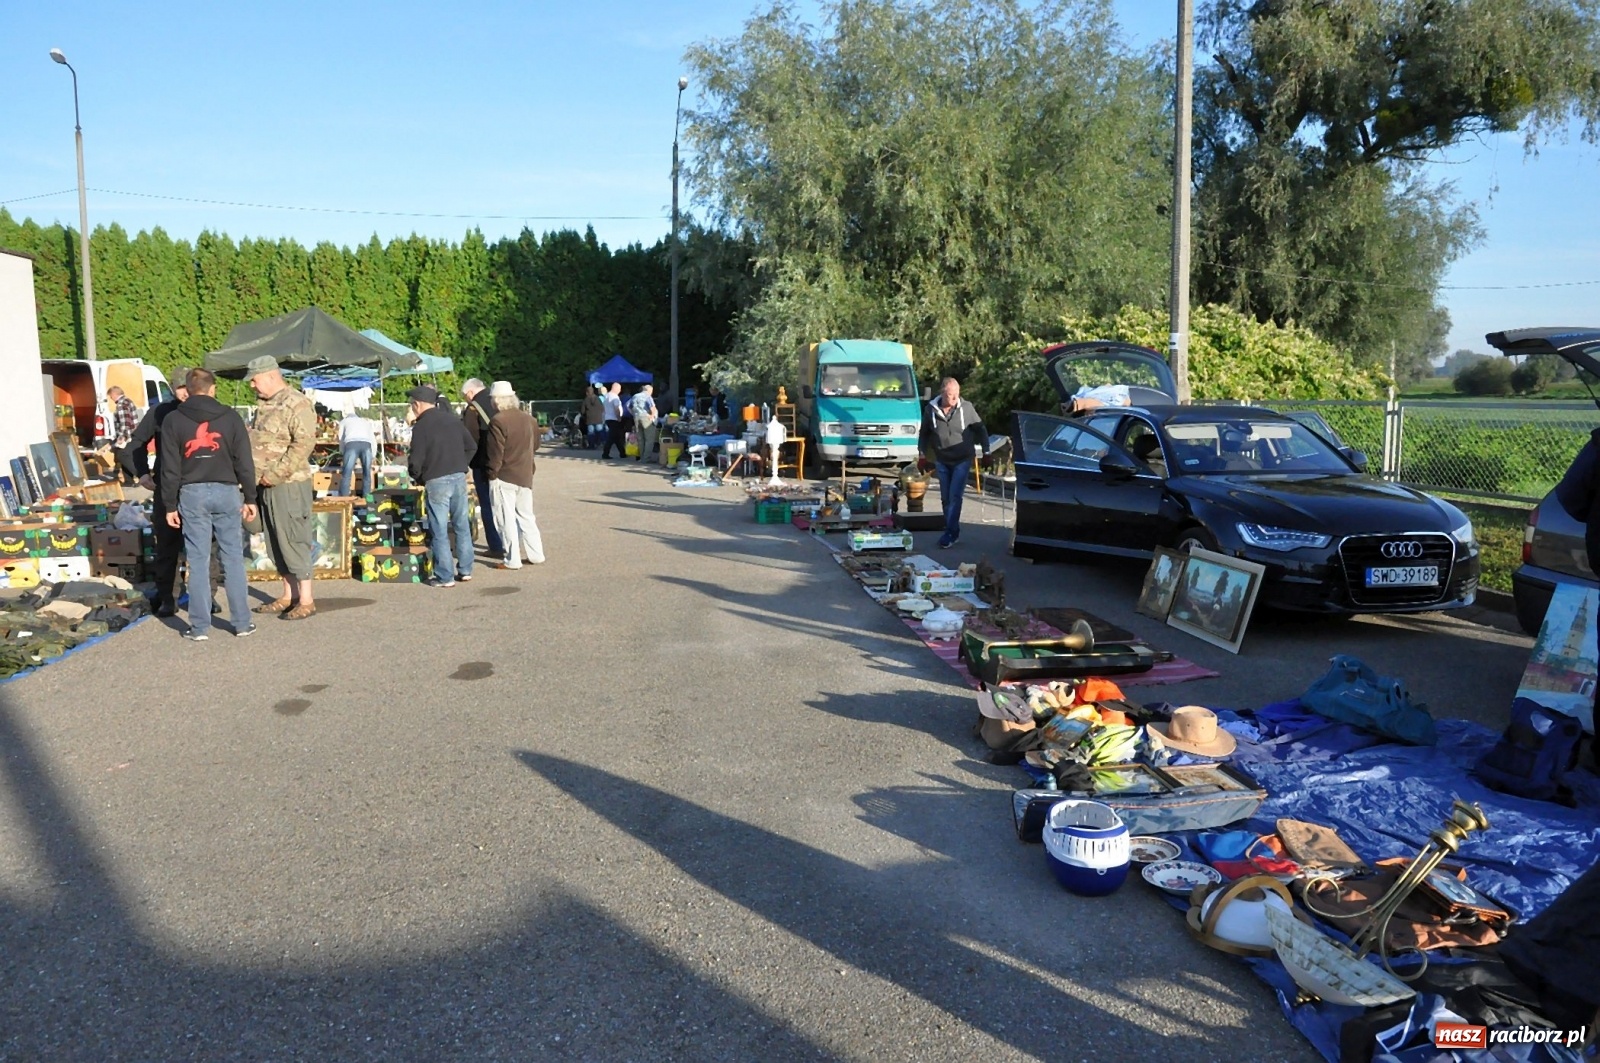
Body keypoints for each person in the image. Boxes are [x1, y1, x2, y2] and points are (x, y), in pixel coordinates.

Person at [157, 368, 257, 641]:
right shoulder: (231, 417)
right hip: (226, 490)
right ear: (213, 389)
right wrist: (250, 497)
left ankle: (199, 627)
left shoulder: (173, 420)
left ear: (187, 391)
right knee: (233, 557)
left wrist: (169, 505)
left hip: (191, 493)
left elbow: (169, 468)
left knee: (198, 560)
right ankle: (242, 623)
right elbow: (244, 462)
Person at [132, 367, 223, 617]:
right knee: (167, 547)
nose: (185, 393)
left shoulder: (212, 411)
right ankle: (167, 599)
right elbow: (135, 444)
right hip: (167, 488)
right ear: (174, 389)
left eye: (188, 388)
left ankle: (208, 596)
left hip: (203, 488)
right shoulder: (161, 412)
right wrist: (142, 473)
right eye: (181, 389)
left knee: (206, 546)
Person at [246, 355, 319, 620]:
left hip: (288, 484)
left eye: (254, 380)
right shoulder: (265, 405)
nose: (253, 386)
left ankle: (307, 599)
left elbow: (303, 444)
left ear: (269, 376)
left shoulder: (295, 402)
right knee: (275, 540)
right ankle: (288, 595)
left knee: (293, 539)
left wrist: (276, 474)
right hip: (263, 484)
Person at [406, 385, 476, 587]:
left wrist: (417, 476)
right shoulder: (453, 420)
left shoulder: (421, 426)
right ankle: (465, 569)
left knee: (439, 529)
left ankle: (445, 576)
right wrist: (461, 465)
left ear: (417, 405)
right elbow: (471, 446)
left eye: (412, 405)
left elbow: (416, 458)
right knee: (462, 524)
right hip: (458, 476)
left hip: (436, 479)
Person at [919, 376, 989, 549]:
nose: (954, 398)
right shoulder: (931, 410)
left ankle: (949, 533)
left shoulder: (967, 408)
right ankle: (953, 531)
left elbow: (981, 429)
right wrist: (922, 455)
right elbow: (924, 434)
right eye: (951, 395)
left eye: (957, 395)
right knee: (945, 497)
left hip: (962, 459)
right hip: (942, 458)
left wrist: (987, 452)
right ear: (942, 393)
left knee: (955, 496)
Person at [484, 381, 546, 569]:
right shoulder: (529, 419)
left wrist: (491, 474)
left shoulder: (498, 421)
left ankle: (512, 559)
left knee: (506, 518)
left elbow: (496, 453)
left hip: (504, 475)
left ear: (497, 400)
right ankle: (536, 554)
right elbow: (535, 446)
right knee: (527, 516)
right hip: (525, 474)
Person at [461, 378, 506, 560]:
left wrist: (466, 464)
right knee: (507, 504)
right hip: (506, 461)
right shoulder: (502, 401)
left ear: (470, 393)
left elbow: (470, 439)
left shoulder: (473, 408)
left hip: (483, 462)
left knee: (487, 505)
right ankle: (511, 541)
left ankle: (496, 545)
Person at [337, 411, 376, 497]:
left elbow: (341, 438)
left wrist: (342, 451)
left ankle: (344, 497)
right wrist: (373, 454)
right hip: (366, 444)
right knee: (366, 472)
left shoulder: (344, 421)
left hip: (351, 443)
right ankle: (366, 497)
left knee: (347, 472)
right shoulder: (365, 422)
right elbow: (373, 439)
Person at [107, 386, 140, 484]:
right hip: (133, 434)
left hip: (127, 436)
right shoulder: (128, 401)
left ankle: (140, 475)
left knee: (122, 456)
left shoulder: (121, 404)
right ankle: (128, 481)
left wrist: (122, 437)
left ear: (114, 394)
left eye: (110, 396)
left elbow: (125, 423)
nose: (111, 399)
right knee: (125, 456)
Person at [629, 384, 659, 462]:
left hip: (636, 417)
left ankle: (642, 457)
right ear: (649, 390)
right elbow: (653, 408)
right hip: (645, 417)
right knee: (649, 439)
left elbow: (628, 406)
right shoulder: (648, 397)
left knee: (640, 439)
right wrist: (652, 416)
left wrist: (634, 414)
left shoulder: (635, 396)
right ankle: (646, 458)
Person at [599, 382, 626, 459]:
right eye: (619, 389)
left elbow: (603, 408)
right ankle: (605, 453)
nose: (620, 391)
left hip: (608, 418)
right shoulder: (615, 397)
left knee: (616, 437)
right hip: (614, 418)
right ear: (616, 388)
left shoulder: (606, 396)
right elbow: (616, 408)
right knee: (611, 437)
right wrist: (619, 418)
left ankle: (622, 453)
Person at [581, 385, 606, 450]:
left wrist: (584, 415)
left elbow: (582, 411)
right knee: (600, 431)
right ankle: (601, 443)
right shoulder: (598, 399)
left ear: (587, 392)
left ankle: (591, 445)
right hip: (598, 418)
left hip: (590, 419)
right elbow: (602, 408)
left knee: (591, 432)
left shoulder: (585, 400)